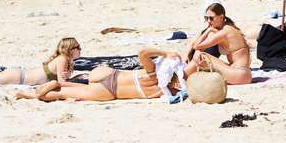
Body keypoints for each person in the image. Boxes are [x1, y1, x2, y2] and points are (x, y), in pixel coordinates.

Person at [15, 47, 184, 102]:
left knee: (69, 86)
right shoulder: (162, 92)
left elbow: (143, 52)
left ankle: (53, 85)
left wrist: (165, 52)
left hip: (109, 75)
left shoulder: (153, 73)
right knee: (59, 94)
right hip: (108, 93)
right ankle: (32, 95)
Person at [182, 2, 252, 85]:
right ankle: (181, 77)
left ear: (221, 17)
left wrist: (208, 30)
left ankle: (181, 78)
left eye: (211, 18)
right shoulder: (229, 27)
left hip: (240, 74)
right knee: (202, 61)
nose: (208, 21)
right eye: (206, 18)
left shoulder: (224, 32)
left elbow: (196, 46)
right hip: (241, 73)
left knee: (201, 56)